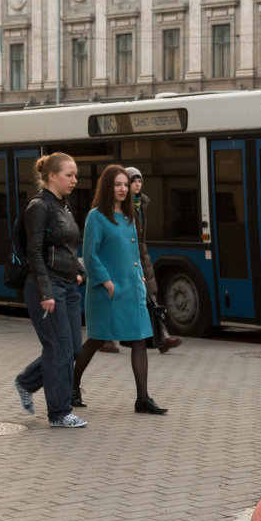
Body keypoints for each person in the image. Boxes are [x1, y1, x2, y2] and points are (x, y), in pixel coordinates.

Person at [72, 164, 168, 415]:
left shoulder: (129, 216)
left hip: (134, 289)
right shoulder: (96, 216)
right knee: (96, 340)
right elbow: (90, 255)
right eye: (118, 184)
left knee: (139, 339)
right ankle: (72, 387)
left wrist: (143, 283)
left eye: (126, 184)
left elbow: (135, 254)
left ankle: (143, 399)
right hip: (108, 291)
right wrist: (106, 283)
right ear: (107, 187)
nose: (124, 189)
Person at [13, 153, 88, 428]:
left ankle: (26, 381)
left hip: (68, 284)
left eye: (75, 175)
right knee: (59, 347)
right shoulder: (39, 206)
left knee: (73, 349)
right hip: (47, 285)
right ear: (52, 176)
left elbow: (67, 247)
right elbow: (34, 252)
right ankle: (59, 413)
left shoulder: (63, 206)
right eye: (69, 175)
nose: (75, 180)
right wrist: (45, 291)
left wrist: (80, 272)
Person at [126, 166, 182, 353]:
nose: (137, 184)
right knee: (139, 298)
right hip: (129, 256)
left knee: (150, 296)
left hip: (142, 254)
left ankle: (162, 337)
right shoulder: (120, 205)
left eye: (139, 181)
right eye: (133, 181)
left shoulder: (142, 203)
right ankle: (104, 340)